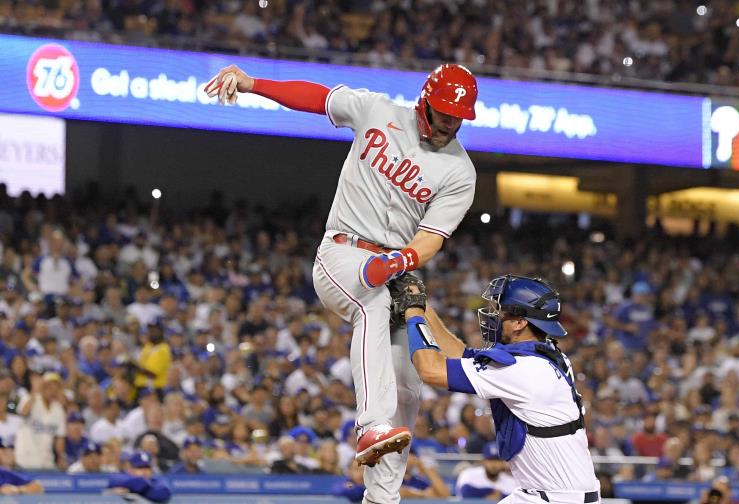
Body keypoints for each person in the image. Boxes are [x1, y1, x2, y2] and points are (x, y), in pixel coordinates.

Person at [205, 61, 479, 502]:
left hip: (392, 267)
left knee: (407, 385)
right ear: (424, 101)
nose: (450, 122)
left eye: (458, 116)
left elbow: (430, 240)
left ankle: (381, 498)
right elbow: (317, 97)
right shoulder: (377, 110)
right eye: (444, 111)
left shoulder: (459, 172)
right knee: (371, 305)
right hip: (341, 251)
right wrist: (254, 84)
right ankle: (370, 425)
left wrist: (399, 262)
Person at [391, 274, 600, 503]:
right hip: (551, 492)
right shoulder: (543, 354)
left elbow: (431, 370)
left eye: (502, 312)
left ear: (520, 322)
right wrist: (422, 305)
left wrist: (413, 314)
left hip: (556, 498)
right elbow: (461, 355)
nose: (495, 316)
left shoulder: (524, 369)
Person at [15, 372, 66, 470]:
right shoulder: (30, 399)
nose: (53, 391)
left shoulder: (58, 409)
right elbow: (23, 413)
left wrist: (61, 457)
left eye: (56, 387)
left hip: (46, 460)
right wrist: (34, 392)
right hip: (26, 459)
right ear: (43, 387)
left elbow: (60, 437)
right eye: (49, 387)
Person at [105, 451, 172, 503]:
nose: (144, 471)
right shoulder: (120, 476)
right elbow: (112, 480)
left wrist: (130, 490)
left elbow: (163, 493)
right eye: (140, 467)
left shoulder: (157, 480)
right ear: (130, 468)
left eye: (147, 467)